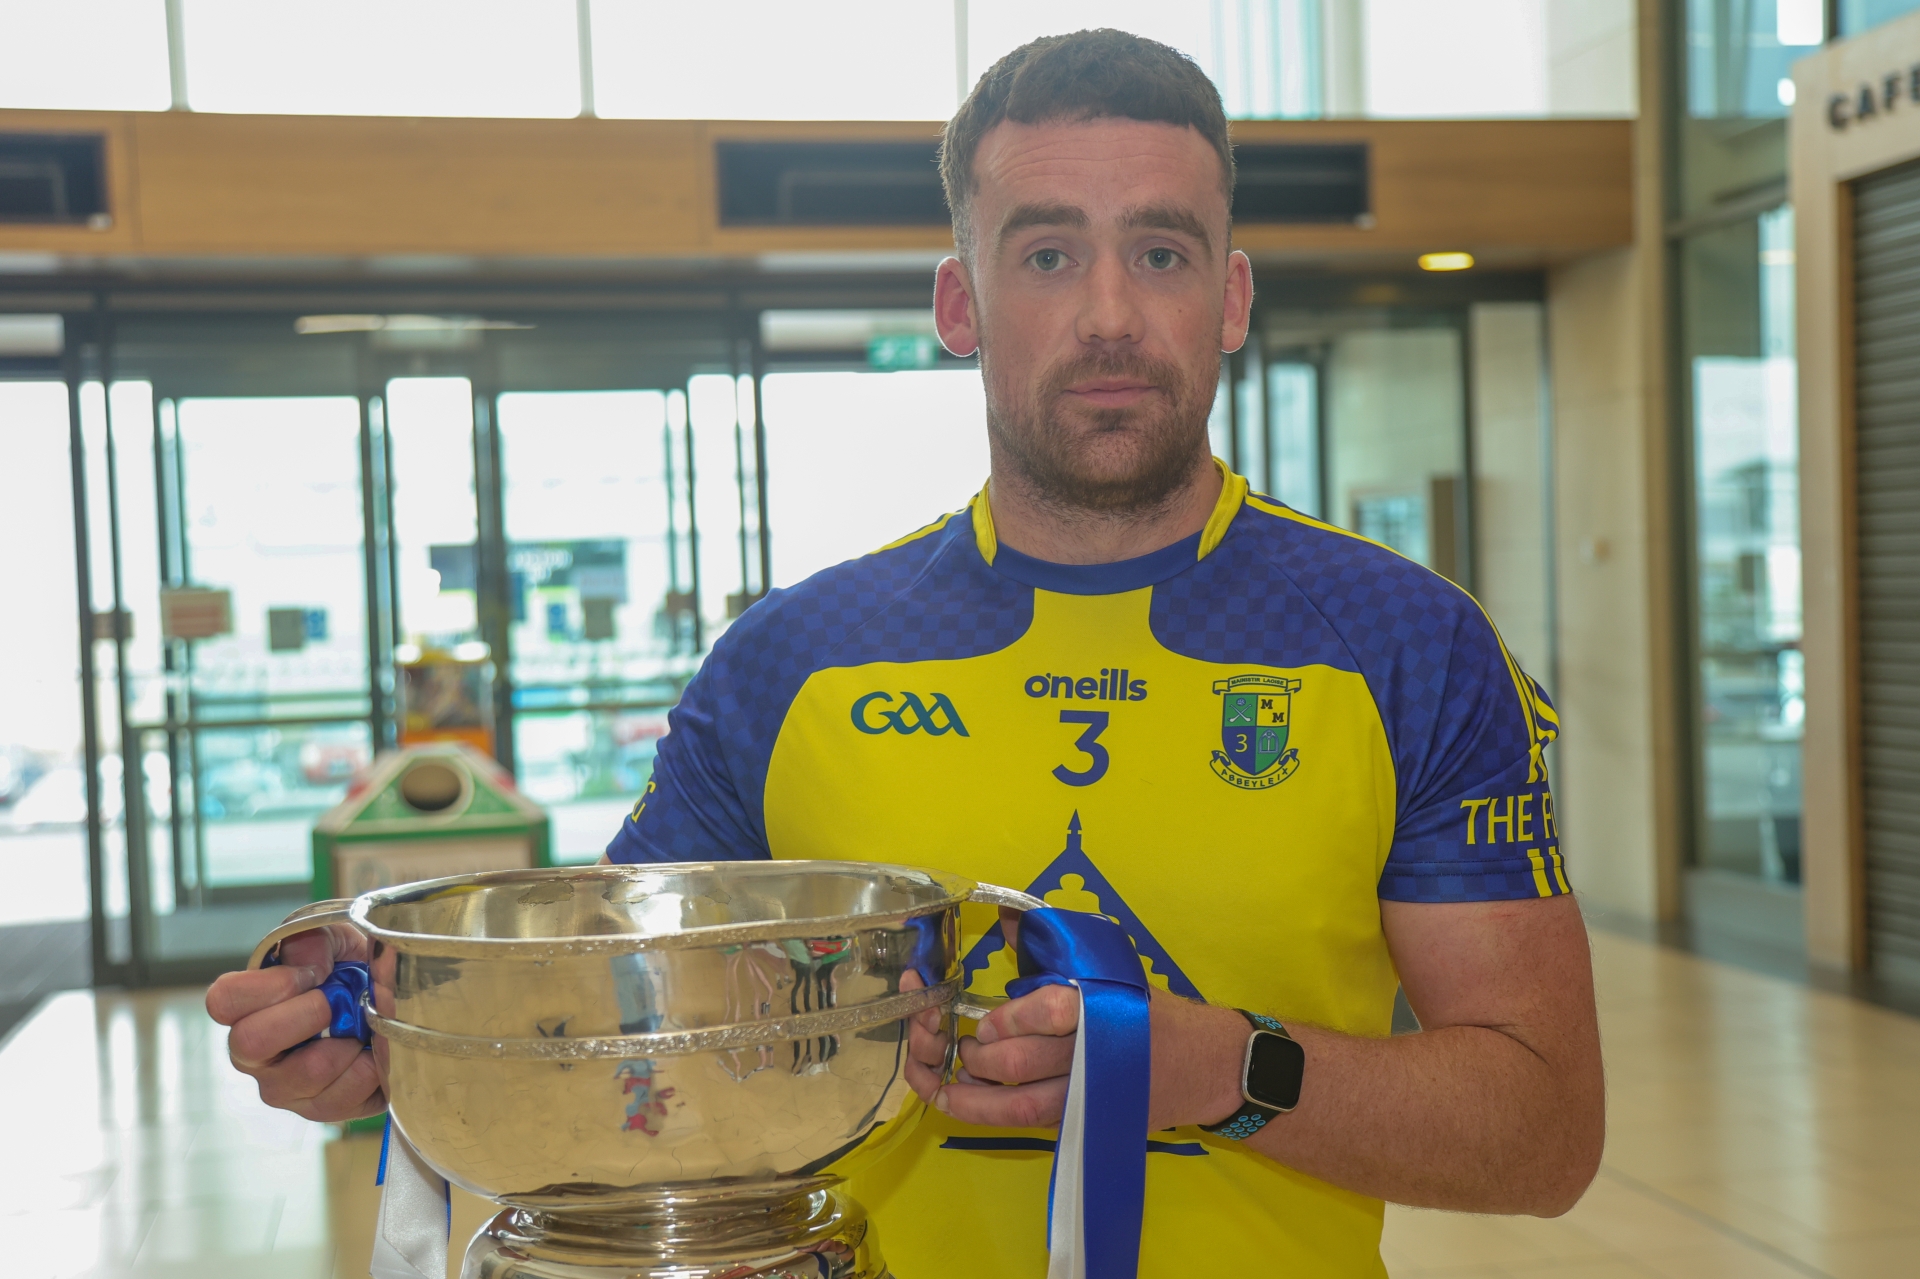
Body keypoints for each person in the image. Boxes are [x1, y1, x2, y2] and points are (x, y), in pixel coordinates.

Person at [208, 28, 1603, 1277]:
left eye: (1161, 253)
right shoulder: (792, 663)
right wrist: (386, 1031)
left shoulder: (1407, 645)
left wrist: (1226, 1072)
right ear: (960, 304)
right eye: (1046, 254)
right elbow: (610, 1029)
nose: (1110, 314)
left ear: (1231, 299)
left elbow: (1545, 1134)